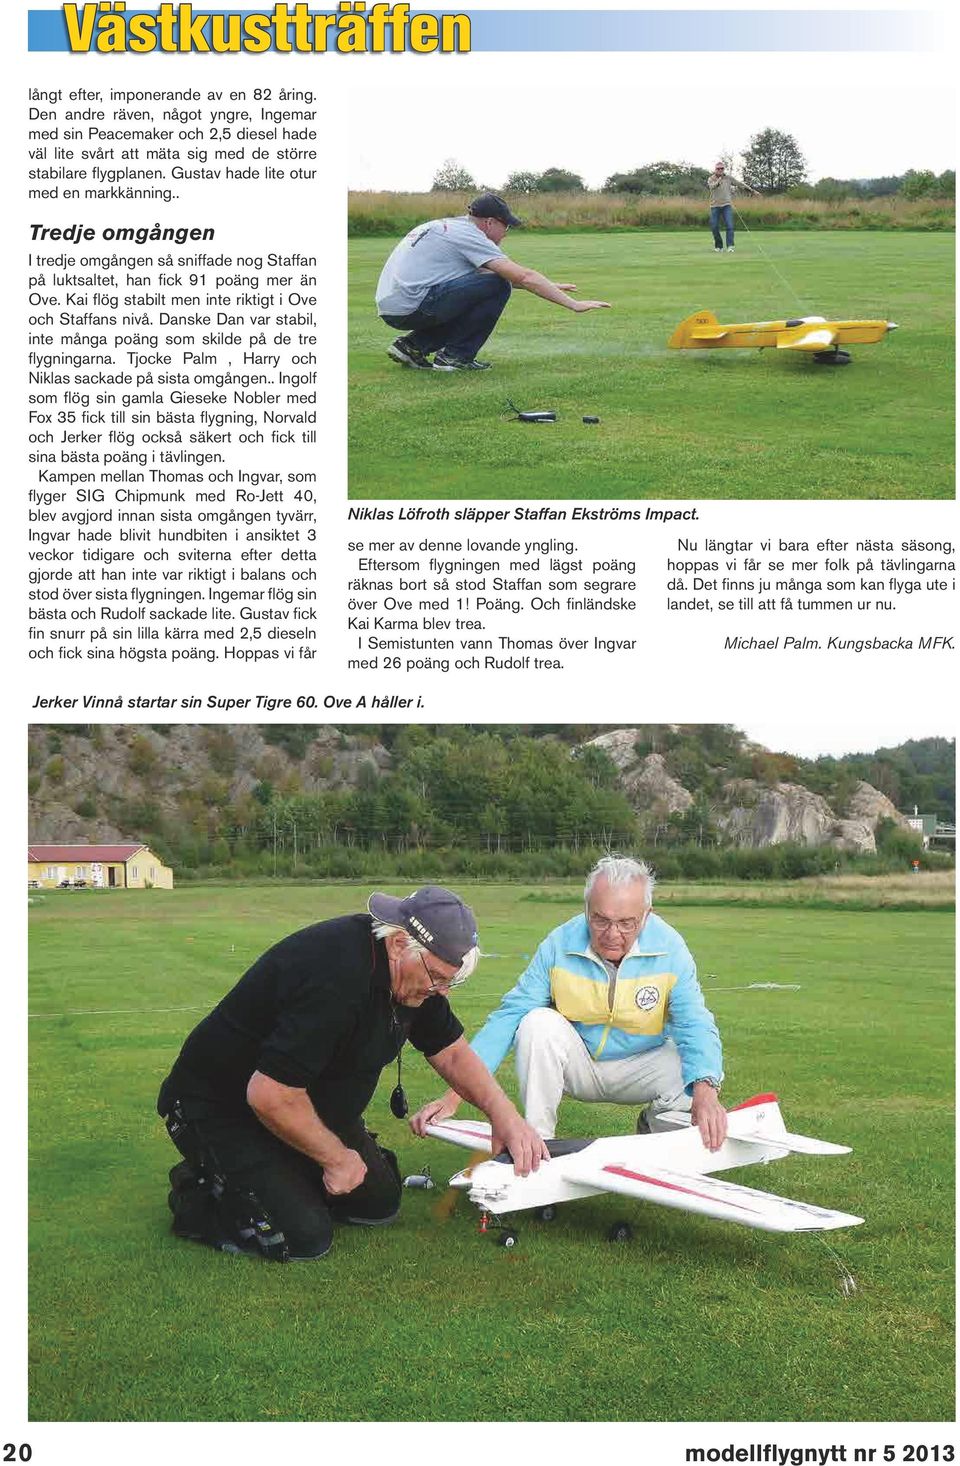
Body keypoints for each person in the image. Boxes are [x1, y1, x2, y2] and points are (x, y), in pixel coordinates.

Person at [158, 885, 548, 1261]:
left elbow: (452, 1054)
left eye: (451, 980)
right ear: (398, 944)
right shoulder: (337, 976)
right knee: (304, 1235)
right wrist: (336, 1159)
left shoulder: (416, 977)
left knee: (378, 1202)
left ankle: (281, 1168)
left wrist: (506, 1117)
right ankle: (200, 1191)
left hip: (305, 1102)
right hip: (219, 1105)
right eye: (438, 978)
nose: (442, 991)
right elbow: (269, 1094)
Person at [411, 856, 727, 1152]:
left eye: (626, 923)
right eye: (600, 920)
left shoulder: (671, 947)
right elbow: (510, 1016)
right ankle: (537, 1145)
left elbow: (694, 1021)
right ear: (586, 908)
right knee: (537, 1022)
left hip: (643, 1064)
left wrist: (706, 1091)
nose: (612, 934)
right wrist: (455, 1094)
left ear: (647, 916)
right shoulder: (559, 943)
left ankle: (662, 1138)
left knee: (689, 1066)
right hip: (579, 1064)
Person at [375, 191, 611, 371]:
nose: (506, 232)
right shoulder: (470, 235)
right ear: (489, 222)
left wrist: (550, 287)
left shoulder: (449, 226)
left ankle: (411, 347)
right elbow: (520, 277)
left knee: (494, 283)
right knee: (499, 286)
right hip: (414, 305)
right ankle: (456, 357)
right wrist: (573, 304)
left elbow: (483, 281)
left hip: (394, 306)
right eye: (505, 225)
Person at [707, 161, 759, 252]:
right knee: (714, 226)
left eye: (722, 168)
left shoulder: (728, 178)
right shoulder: (711, 179)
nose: (720, 170)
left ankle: (730, 246)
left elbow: (740, 184)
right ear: (715, 170)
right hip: (715, 206)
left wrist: (752, 191)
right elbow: (712, 187)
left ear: (724, 169)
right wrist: (718, 181)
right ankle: (719, 246)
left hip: (726, 205)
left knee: (730, 226)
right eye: (718, 169)